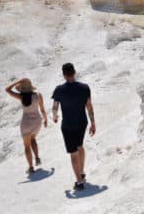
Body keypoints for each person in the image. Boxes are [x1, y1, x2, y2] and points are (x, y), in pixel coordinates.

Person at [52, 63, 96, 191]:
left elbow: (55, 106)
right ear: (74, 72)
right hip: (82, 122)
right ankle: (81, 172)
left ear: (64, 75)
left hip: (68, 125)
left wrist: (55, 116)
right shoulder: (85, 87)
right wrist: (93, 123)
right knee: (80, 146)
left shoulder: (59, 89)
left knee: (73, 152)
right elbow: (89, 106)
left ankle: (79, 182)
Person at [5, 78, 48, 174]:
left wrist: (17, 82)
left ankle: (31, 167)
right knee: (33, 139)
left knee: (27, 146)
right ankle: (37, 158)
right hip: (37, 121)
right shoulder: (38, 95)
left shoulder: (21, 97)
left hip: (26, 122)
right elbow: (43, 110)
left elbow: (7, 90)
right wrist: (45, 119)